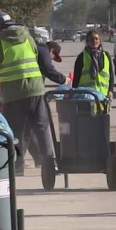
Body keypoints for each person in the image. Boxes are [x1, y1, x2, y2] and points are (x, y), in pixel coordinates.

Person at [0, 12, 55, 178]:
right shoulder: (27, 37)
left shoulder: (0, 43)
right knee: (41, 127)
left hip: (14, 93)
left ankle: (18, 166)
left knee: (16, 131)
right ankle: (49, 163)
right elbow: (36, 56)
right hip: (36, 89)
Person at [23, 41, 71, 171]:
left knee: (27, 128)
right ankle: (49, 162)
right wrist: (64, 80)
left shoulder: (35, 50)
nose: (52, 59)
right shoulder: (43, 51)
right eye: (53, 57)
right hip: (32, 92)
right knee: (41, 126)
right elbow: (49, 70)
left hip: (24, 91)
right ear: (52, 50)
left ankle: (33, 160)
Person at [73, 30, 114, 100]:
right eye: (91, 39)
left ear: (100, 41)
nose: (94, 41)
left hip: (103, 96)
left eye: (96, 38)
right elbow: (76, 77)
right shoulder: (81, 57)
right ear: (87, 42)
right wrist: (74, 93)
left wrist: (111, 90)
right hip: (86, 97)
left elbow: (111, 75)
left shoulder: (106, 56)